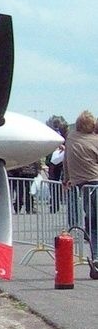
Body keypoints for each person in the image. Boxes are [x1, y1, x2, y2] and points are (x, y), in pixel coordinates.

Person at [62, 111, 98, 279]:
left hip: (81, 184)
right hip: (95, 182)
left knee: (92, 222)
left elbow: (66, 161)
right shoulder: (94, 141)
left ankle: (96, 257)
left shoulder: (70, 138)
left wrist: (67, 178)